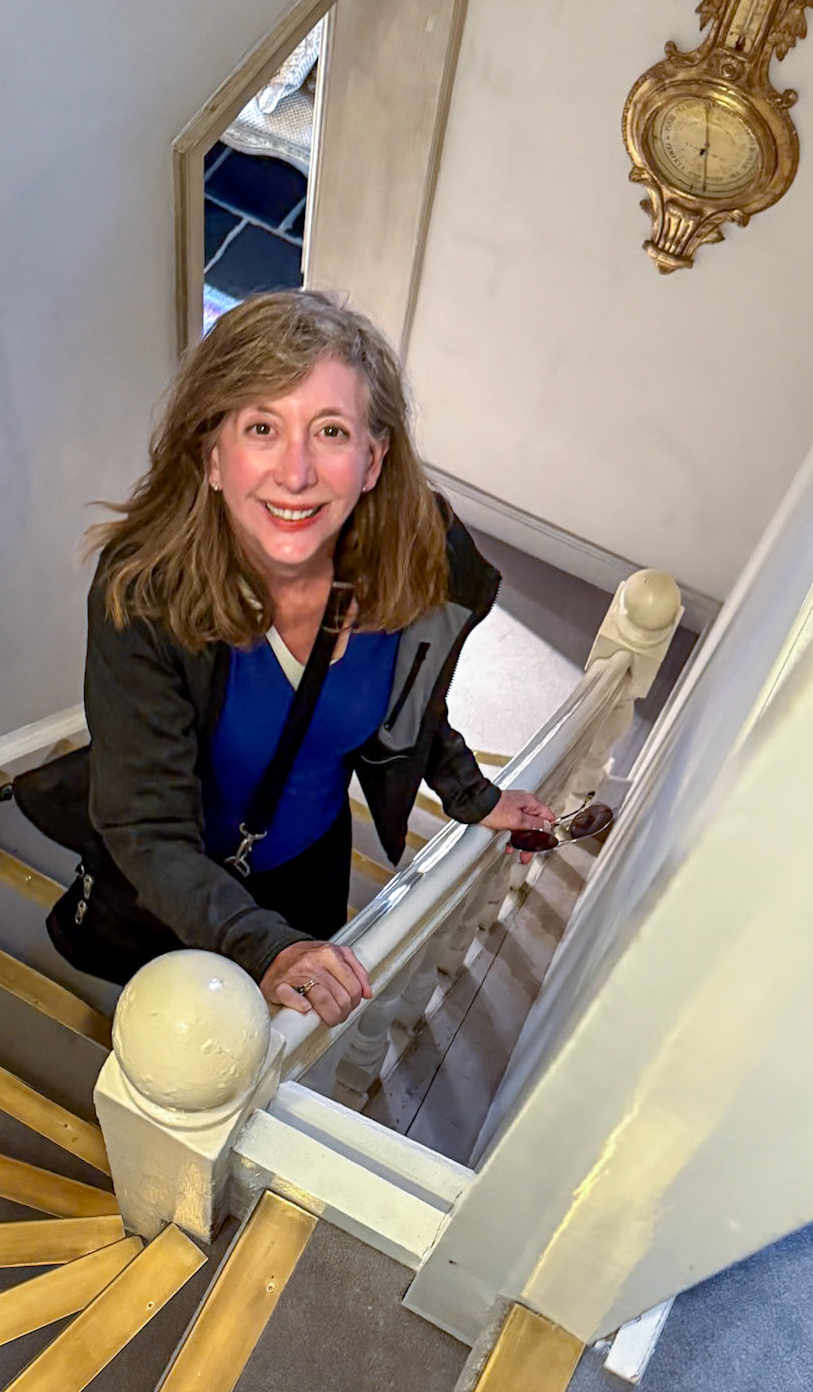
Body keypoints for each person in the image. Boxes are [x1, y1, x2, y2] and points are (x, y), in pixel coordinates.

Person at [41, 289, 555, 1029]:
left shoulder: (425, 558)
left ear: (372, 460)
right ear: (212, 455)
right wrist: (259, 946)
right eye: (261, 427)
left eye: (331, 431)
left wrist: (472, 796)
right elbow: (146, 831)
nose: (296, 472)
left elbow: (411, 700)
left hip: (313, 856)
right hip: (176, 878)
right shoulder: (145, 595)